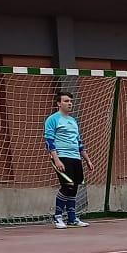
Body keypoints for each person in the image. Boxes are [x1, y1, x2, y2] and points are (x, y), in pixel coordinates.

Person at [44, 91, 91, 228]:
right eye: (66, 101)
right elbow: (49, 141)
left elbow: (78, 141)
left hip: (75, 158)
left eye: (70, 101)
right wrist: (56, 159)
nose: (69, 103)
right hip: (62, 157)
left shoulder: (73, 120)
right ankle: (58, 217)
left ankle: (72, 218)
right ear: (59, 103)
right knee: (67, 185)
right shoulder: (52, 119)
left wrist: (87, 159)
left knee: (74, 187)